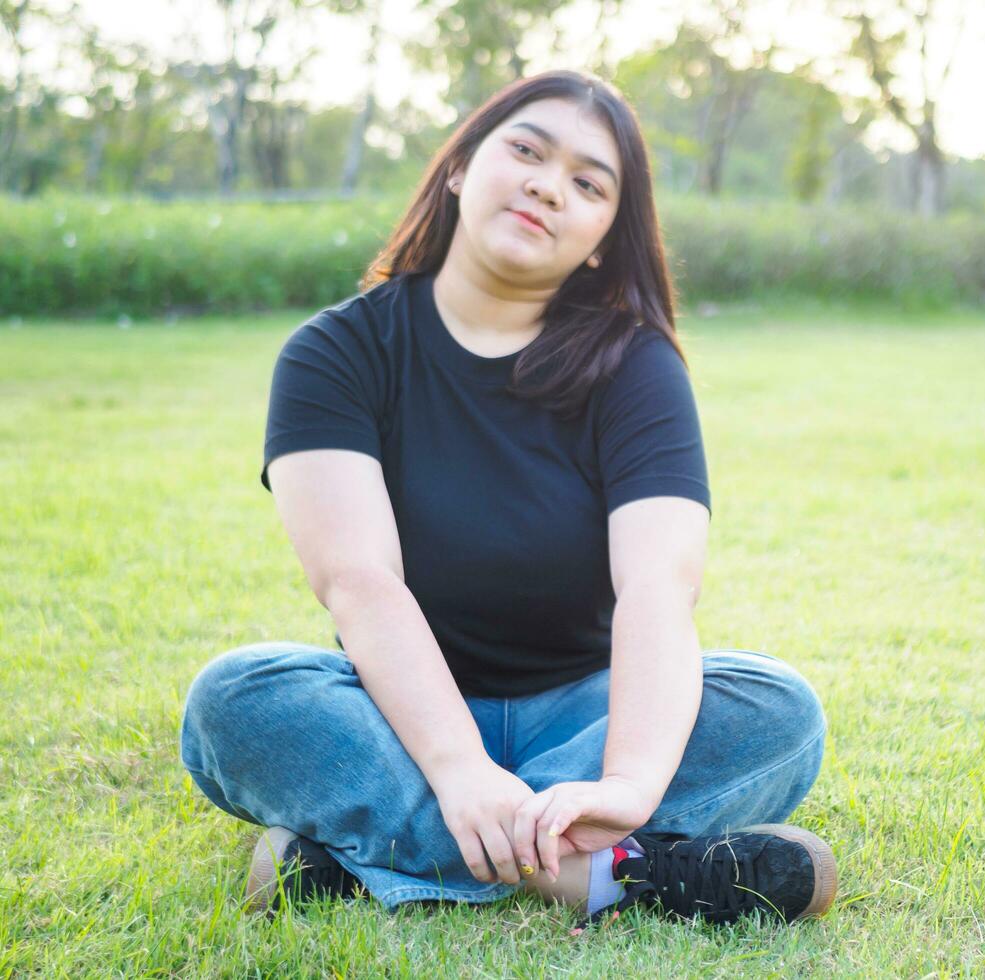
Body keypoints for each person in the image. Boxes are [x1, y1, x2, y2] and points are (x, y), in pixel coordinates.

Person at [178, 69, 836, 935]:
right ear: (459, 167)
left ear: (603, 236)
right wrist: (456, 767)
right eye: (526, 150)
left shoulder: (634, 366)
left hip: (586, 715)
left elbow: (657, 585)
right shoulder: (335, 352)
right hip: (397, 711)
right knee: (236, 699)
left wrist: (628, 783)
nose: (546, 185)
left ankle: (354, 862)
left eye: (587, 182)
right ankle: (614, 878)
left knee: (778, 709)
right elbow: (357, 582)